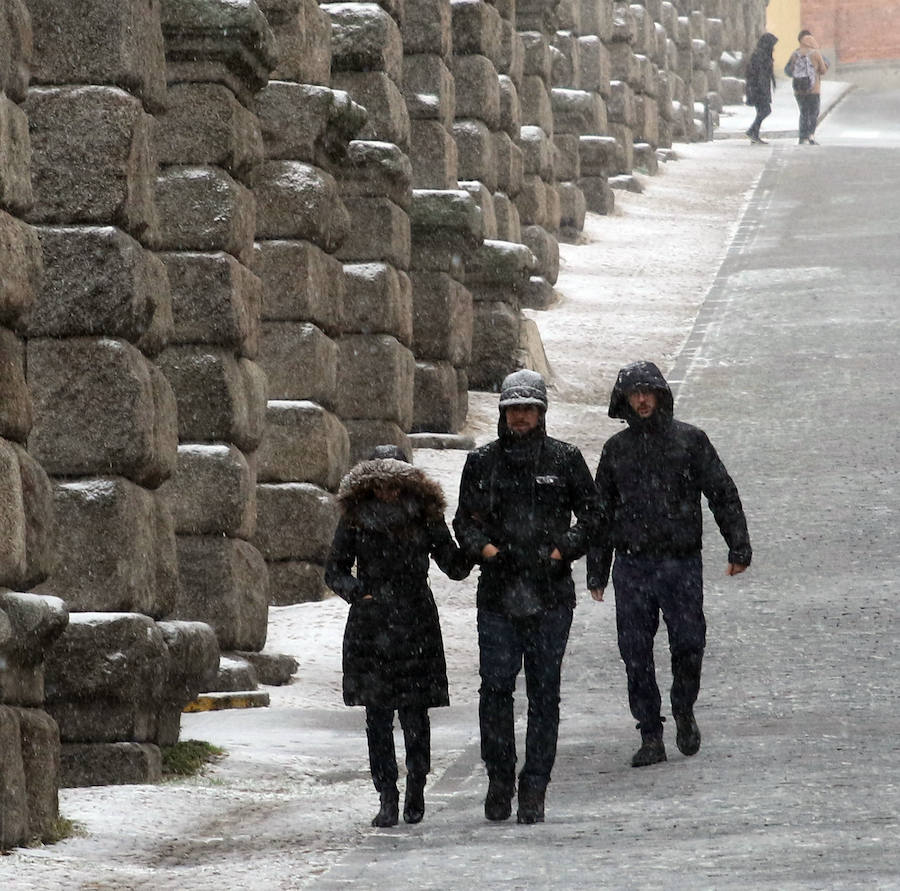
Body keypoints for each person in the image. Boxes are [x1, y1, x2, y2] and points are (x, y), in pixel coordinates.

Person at [454, 370, 602, 824]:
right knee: (495, 692)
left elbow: (595, 515)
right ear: (503, 412)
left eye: (528, 408)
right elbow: (463, 522)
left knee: (544, 695)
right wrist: (487, 550)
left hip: (551, 595)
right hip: (497, 595)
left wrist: (563, 549)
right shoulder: (481, 462)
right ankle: (500, 779)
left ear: (541, 413)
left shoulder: (565, 459)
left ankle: (535, 786)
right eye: (513, 408)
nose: (520, 416)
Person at [587, 361, 751, 768]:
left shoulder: (690, 442)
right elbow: (600, 514)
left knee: (689, 643)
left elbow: (722, 492)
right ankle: (650, 732)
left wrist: (738, 546)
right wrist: (597, 569)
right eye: (634, 393)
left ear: (660, 395)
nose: (642, 400)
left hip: (680, 564)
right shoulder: (616, 451)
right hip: (632, 566)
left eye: (648, 392)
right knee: (635, 652)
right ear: (624, 400)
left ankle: (683, 707)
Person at [325, 445, 470, 828]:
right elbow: (335, 569)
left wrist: (473, 545)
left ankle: (416, 787)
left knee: (415, 712)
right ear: (369, 483)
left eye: (395, 483)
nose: (388, 490)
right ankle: (387, 794)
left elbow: (452, 564)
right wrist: (360, 593)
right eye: (380, 483)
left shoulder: (424, 515)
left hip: (414, 618)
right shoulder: (355, 517)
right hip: (372, 622)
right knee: (377, 716)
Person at [786, 29, 829, 145]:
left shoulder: (795, 53)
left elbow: (789, 70)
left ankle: (802, 136)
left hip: (799, 89)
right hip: (813, 89)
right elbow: (823, 70)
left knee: (803, 112)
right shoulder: (815, 53)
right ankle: (811, 135)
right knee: (814, 112)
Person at [744, 33, 778, 144]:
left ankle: (754, 134)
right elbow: (759, 74)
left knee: (762, 111)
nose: (773, 48)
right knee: (765, 110)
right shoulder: (760, 56)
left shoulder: (762, 54)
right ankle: (752, 131)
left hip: (758, 88)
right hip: (758, 89)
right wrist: (762, 90)